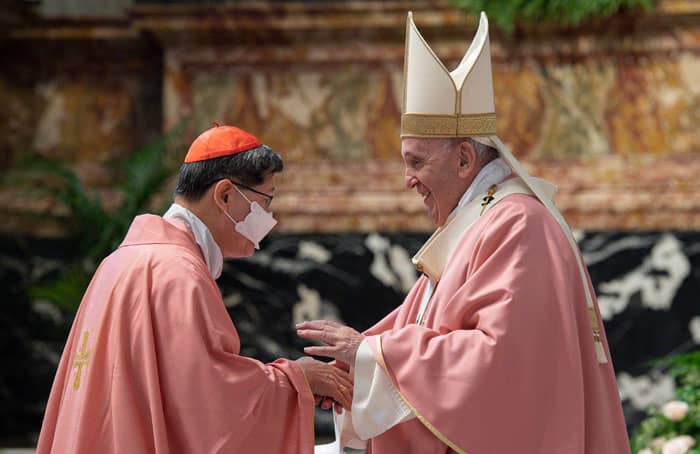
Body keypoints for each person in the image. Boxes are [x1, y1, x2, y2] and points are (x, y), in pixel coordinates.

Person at [298, 12, 630, 454]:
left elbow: (501, 363)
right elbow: (415, 324)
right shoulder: (477, 222)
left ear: (464, 159)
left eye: (416, 162)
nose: (407, 180)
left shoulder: (517, 225)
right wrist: (353, 371)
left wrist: (369, 354)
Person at [37, 124, 353, 454]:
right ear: (226, 195)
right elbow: (207, 405)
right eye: (266, 200)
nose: (270, 216)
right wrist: (296, 380)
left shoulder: (120, 261)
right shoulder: (178, 273)